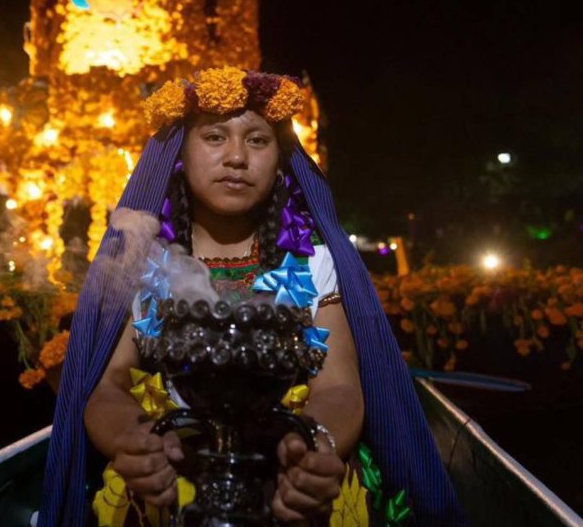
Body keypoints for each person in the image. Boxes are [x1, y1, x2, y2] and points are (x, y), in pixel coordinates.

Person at [40, 67, 467, 526]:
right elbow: (108, 383)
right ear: (180, 154)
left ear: (280, 161)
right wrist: (135, 440)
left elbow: (339, 386)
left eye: (258, 140)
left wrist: (313, 449)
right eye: (215, 137)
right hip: (168, 477)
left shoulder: (313, 262)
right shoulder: (142, 261)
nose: (237, 157)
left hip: (291, 474)